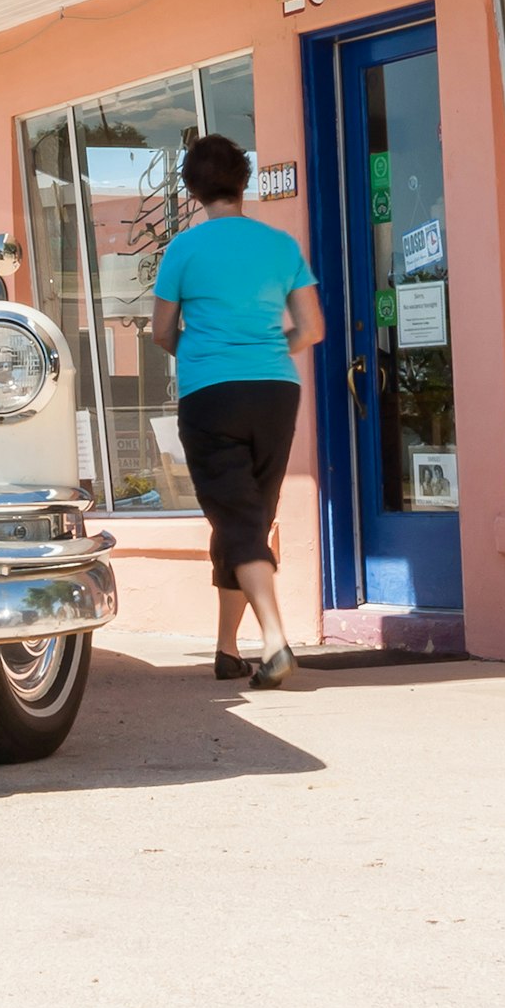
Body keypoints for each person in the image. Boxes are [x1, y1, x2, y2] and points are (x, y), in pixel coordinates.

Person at [149, 132, 323, 688]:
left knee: (238, 519)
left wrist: (203, 357)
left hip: (211, 395)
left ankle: (274, 641)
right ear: (244, 181)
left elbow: (160, 332)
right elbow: (311, 328)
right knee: (246, 518)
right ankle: (227, 651)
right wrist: (267, 353)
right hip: (275, 392)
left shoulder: (183, 249)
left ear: (193, 190)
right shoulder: (279, 245)